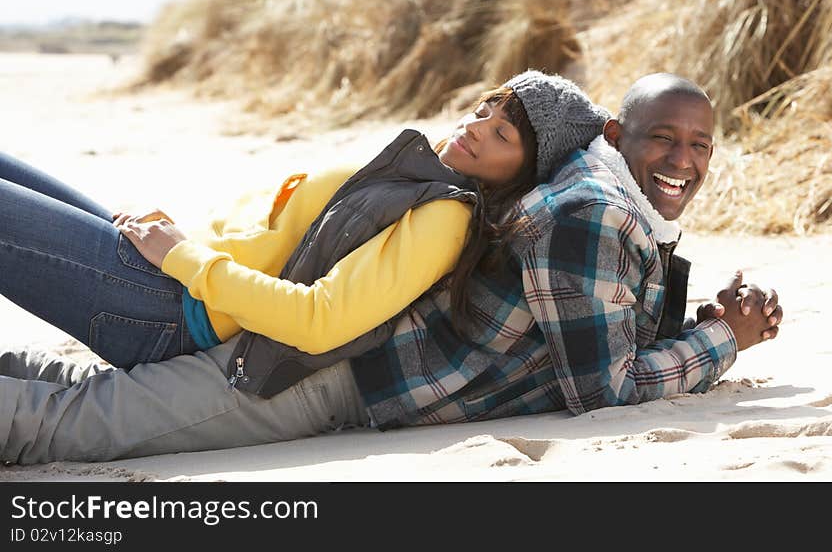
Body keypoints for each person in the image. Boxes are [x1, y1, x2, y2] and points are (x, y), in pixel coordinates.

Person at [0, 72, 782, 464]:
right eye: (484, 109)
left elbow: (599, 339)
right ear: (618, 133)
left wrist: (710, 328)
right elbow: (605, 380)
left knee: (71, 406)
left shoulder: (575, 203)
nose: (681, 160)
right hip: (290, 357)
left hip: (270, 342)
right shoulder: (585, 209)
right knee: (67, 412)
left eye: (699, 146)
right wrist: (723, 340)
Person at [0, 71, 606, 388]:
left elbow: (321, 321)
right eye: (485, 110)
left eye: (502, 134)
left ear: (521, 171)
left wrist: (185, 258)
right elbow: (281, 236)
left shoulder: (446, 217)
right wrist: (187, 241)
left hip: (165, 309)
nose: (477, 126)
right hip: (165, 275)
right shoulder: (421, 176)